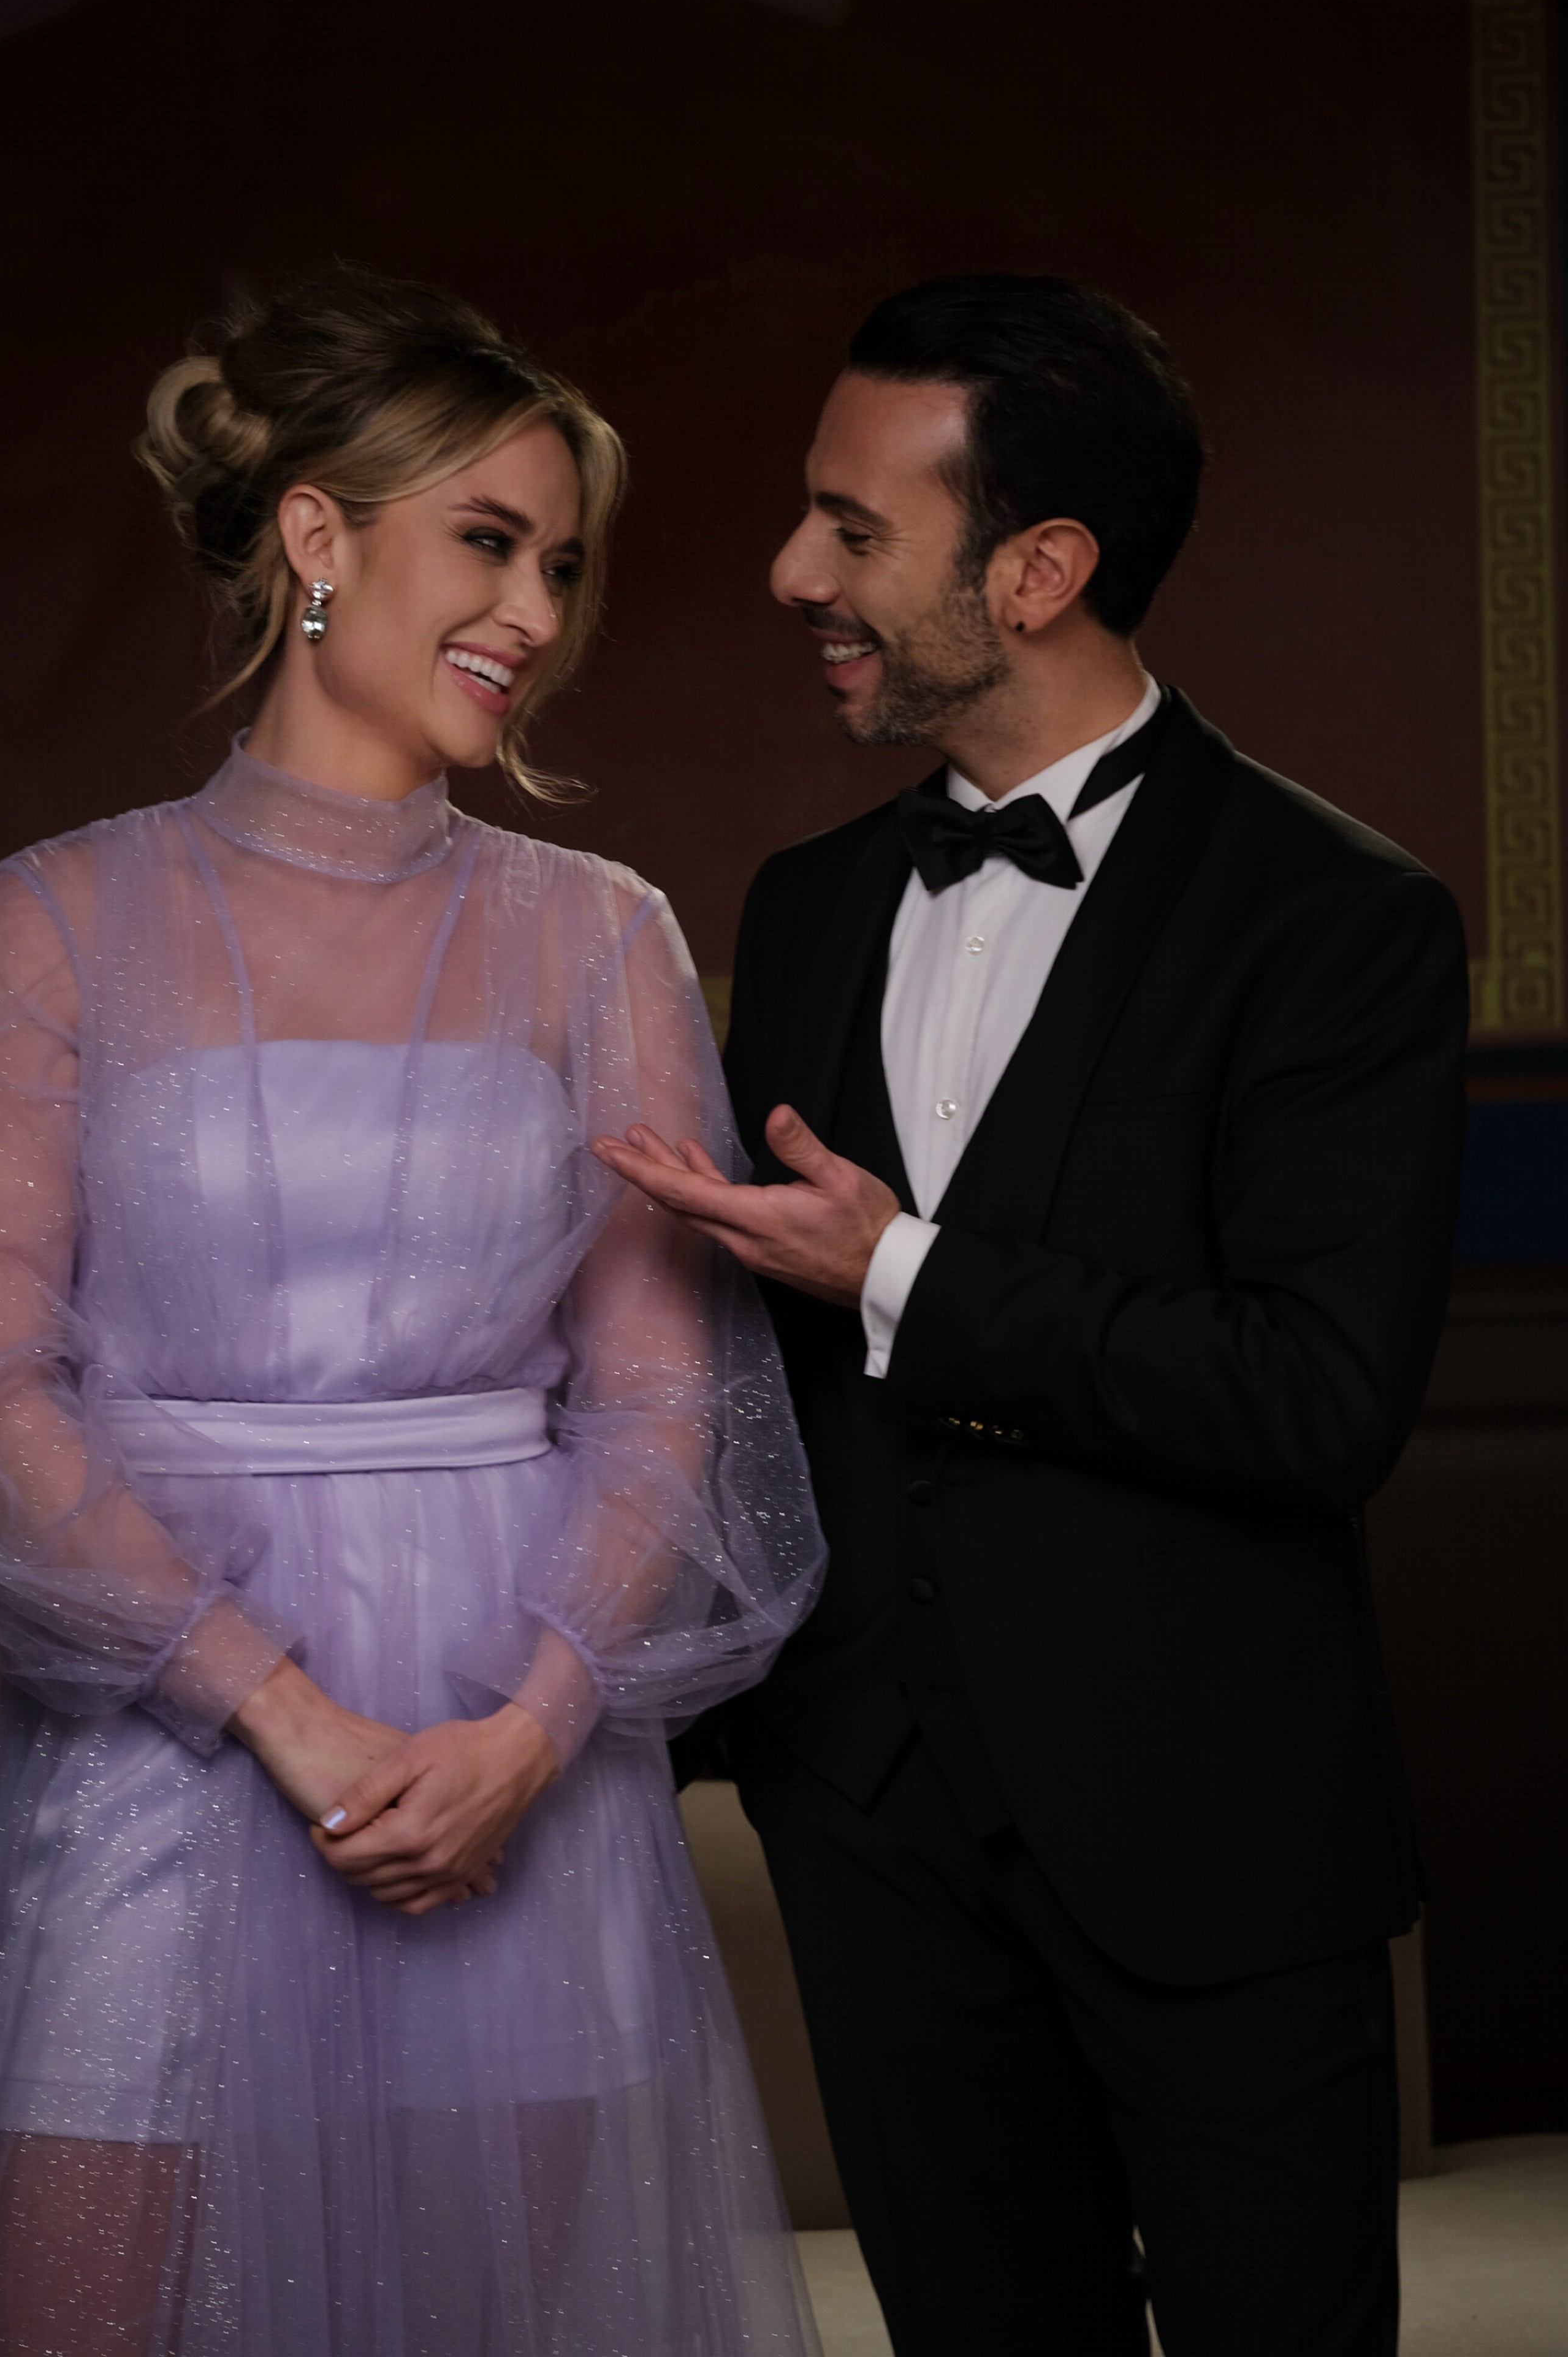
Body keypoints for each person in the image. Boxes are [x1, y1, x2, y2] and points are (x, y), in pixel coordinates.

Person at [0, 265, 826, 2357]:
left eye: (563, 565)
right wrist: (278, 1708)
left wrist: (530, 1735)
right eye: (489, 541)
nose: (536, 610)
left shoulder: (602, 936)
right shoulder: (54, 917)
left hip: (513, 1747)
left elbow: (663, 1403)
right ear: (316, 535)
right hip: (160, 1730)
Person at [595, 274, 1469, 2356]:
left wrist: (897, 1270)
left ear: (1040, 570)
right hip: (871, 1833)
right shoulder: (808, 903)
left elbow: (1316, 1400)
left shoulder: (1342, 921)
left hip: (1214, 1842)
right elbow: (734, 1382)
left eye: (852, 529)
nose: (793, 571)